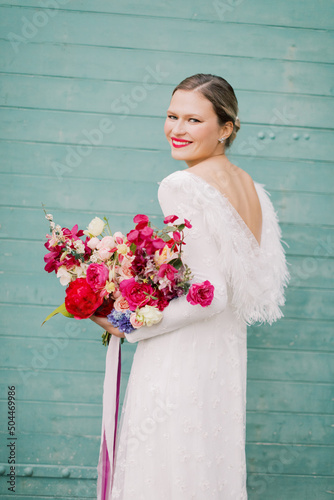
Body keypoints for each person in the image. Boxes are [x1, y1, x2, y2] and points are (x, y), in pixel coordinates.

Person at [91, 73, 290, 499]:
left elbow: (210, 295)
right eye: (171, 115)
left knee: (165, 467)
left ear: (226, 128)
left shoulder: (181, 185)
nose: (177, 130)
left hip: (181, 358)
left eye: (193, 120)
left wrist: (129, 324)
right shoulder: (252, 189)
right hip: (223, 360)